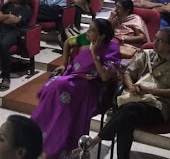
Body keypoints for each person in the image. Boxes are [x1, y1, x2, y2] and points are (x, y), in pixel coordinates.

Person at [77, 27, 170, 159]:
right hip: (136, 98)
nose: (155, 43)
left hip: (159, 106)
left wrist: (150, 91)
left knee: (127, 111)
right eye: (155, 38)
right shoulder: (146, 54)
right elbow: (128, 73)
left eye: (160, 40)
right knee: (126, 118)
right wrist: (131, 86)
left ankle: (95, 140)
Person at [31, 19, 122, 159]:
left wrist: (94, 54)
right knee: (55, 84)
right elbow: (67, 43)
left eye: (92, 30)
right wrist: (64, 64)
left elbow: (105, 78)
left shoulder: (112, 48)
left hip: (92, 87)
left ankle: (58, 147)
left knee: (61, 85)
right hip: (73, 78)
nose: (88, 32)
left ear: (102, 35)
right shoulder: (86, 40)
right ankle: (36, 138)